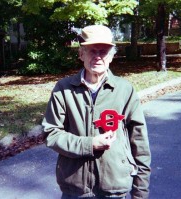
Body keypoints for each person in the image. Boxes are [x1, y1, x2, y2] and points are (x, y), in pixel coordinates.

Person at [42, 25, 151, 199]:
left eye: (104, 51)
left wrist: (140, 192)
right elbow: (51, 134)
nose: (98, 57)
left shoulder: (124, 90)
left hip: (114, 188)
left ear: (112, 56)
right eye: (92, 51)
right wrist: (90, 144)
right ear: (81, 54)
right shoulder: (63, 89)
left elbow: (139, 143)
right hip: (75, 188)